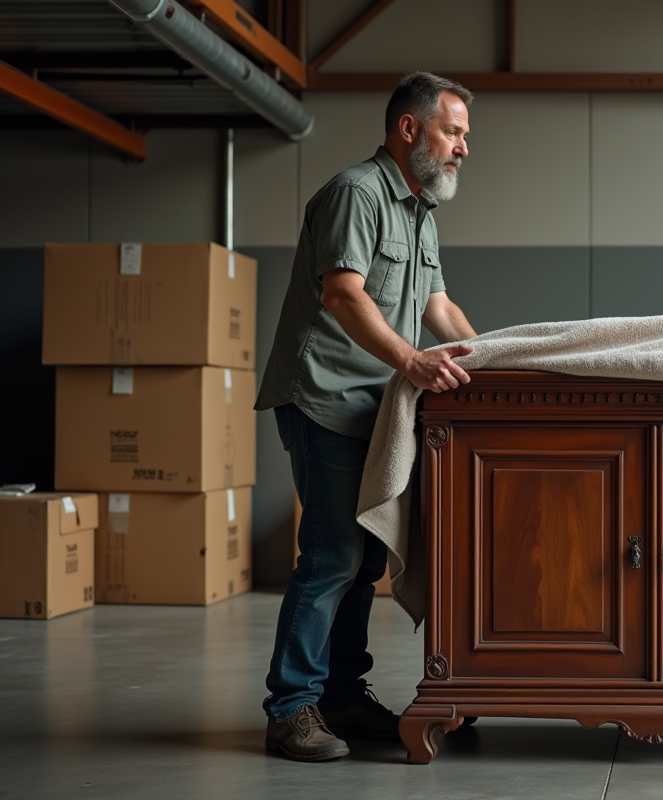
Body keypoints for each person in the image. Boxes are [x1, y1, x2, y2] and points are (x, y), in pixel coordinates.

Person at [254, 71, 478, 762]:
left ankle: (343, 697)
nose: (462, 148)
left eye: (464, 136)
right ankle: (290, 708)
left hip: (375, 408)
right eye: (453, 132)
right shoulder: (357, 193)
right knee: (333, 556)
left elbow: (439, 308)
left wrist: (495, 368)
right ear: (410, 129)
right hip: (325, 396)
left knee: (367, 556)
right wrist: (413, 362)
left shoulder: (420, 212)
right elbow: (344, 295)